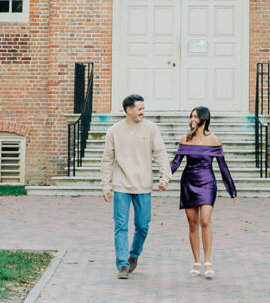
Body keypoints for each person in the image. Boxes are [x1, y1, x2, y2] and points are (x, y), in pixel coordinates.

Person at [100, 93, 171, 279]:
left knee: (143, 225)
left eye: (143, 108)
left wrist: (165, 176)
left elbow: (160, 153)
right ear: (128, 110)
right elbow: (107, 160)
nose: (143, 112)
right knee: (121, 226)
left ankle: (134, 255)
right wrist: (105, 185)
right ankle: (122, 265)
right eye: (139, 109)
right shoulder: (114, 131)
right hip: (121, 186)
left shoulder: (151, 128)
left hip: (143, 186)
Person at [170, 105, 237, 279]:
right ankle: (196, 261)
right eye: (191, 116)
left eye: (195, 117)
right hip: (188, 182)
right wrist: (164, 176)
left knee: (205, 221)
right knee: (192, 223)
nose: (192, 119)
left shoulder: (214, 140)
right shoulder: (185, 139)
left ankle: (207, 261)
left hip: (207, 182)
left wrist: (231, 188)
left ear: (204, 119)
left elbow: (223, 166)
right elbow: (176, 163)